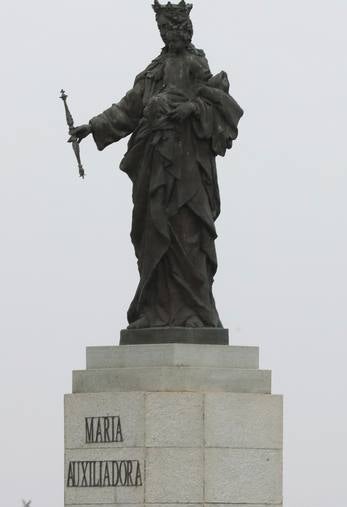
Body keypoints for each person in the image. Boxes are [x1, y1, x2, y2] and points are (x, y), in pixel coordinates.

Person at [70, 2, 242, 333]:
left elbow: (218, 105)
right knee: (150, 233)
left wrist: (190, 108)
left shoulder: (196, 65)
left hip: (187, 167)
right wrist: (91, 126)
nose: (171, 34)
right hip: (154, 163)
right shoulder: (154, 71)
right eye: (165, 30)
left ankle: (195, 312)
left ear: (187, 31)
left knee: (187, 235)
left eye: (176, 29)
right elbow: (128, 107)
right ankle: (153, 310)